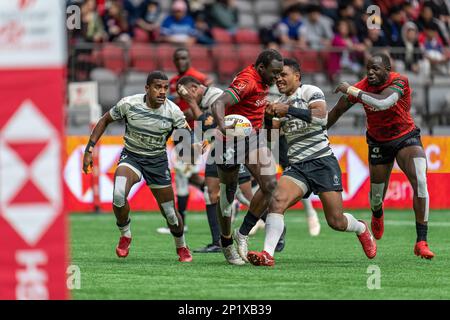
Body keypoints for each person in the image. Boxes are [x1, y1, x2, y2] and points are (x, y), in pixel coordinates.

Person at [246, 58, 377, 266]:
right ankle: (267, 254)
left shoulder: (310, 91)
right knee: (276, 202)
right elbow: (271, 139)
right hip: (297, 166)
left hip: (322, 161)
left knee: (336, 221)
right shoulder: (279, 100)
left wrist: (287, 110)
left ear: (297, 76)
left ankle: (361, 227)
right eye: (277, 75)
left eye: (284, 75)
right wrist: (270, 118)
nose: (279, 78)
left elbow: (320, 118)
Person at [327, 52, 435, 259]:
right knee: (376, 197)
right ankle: (377, 214)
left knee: (421, 180)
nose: (370, 73)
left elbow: (384, 102)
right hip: (378, 142)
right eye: (368, 69)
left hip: (406, 137)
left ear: (388, 69)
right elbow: (338, 110)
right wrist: (321, 130)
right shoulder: (362, 85)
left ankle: (421, 241)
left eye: (375, 68)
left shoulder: (400, 81)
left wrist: (351, 90)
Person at [82, 71, 194, 262]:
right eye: (158, 87)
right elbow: (105, 120)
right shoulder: (129, 104)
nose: (162, 92)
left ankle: (181, 246)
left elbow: (185, 142)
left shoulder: (173, 111)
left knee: (170, 214)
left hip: (157, 162)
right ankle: (125, 234)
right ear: (147, 88)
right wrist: (89, 150)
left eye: (165, 88)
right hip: (132, 157)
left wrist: (191, 146)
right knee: (118, 194)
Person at [211, 49, 284, 265]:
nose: (277, 77)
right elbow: (218, 104)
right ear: (261, 68)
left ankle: (242, 234)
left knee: (270, 183)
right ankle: (225, 243)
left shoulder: (263, 80)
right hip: (229, 141)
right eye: (274, 73)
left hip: (252, 138)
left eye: (280, 73)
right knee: (227, 197)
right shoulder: (248, 81)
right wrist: (223, 126)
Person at [176, 76, 254, 253]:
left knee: (245, 195)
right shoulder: (204, 99)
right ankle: (217, 242)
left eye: (186, 95)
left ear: (194, 88)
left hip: (233, 147)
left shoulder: (215, 96)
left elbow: (207, 126)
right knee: (210, 193)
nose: (185, 99)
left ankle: (277, 232)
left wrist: (192, 105)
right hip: (217, 147)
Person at [156, 47, 212, 235]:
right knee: (183, 175)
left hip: (195, 130)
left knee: (184, 174)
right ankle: (182, 222)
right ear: (174, 60)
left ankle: (227, 195)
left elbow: (207, 104)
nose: (181, 61)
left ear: (189, 59)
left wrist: (185, 115)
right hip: (180, 132)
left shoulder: (198, 78)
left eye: (184, 58)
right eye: (178, 58)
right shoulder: (172, 82)